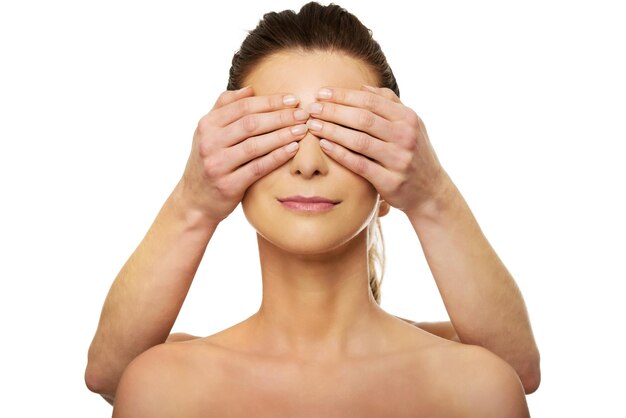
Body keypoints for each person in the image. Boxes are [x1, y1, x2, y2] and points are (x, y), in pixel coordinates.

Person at [85, 2, 540, 416]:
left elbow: (519, 370)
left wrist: (432, 193)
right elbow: (106, 374)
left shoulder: (477, 387)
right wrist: (192, 199)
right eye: (273, 135)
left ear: (391, 181)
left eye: (343, 134)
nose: (307, 163)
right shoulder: (164, 388)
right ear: (229, 171)